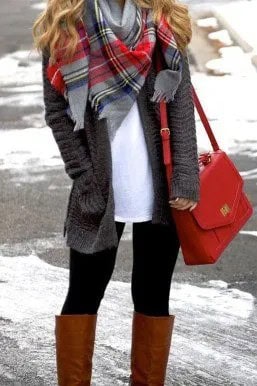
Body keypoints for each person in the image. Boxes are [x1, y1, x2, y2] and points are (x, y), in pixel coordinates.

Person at [33, 0, 200, 384]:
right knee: (83, 296)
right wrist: (84, 175)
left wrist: (185, 175)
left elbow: (180, 103)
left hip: (158, 186)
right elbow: (57, 111)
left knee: (154, 296)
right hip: (100, 189)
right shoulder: (67, 24)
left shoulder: (161, 21)